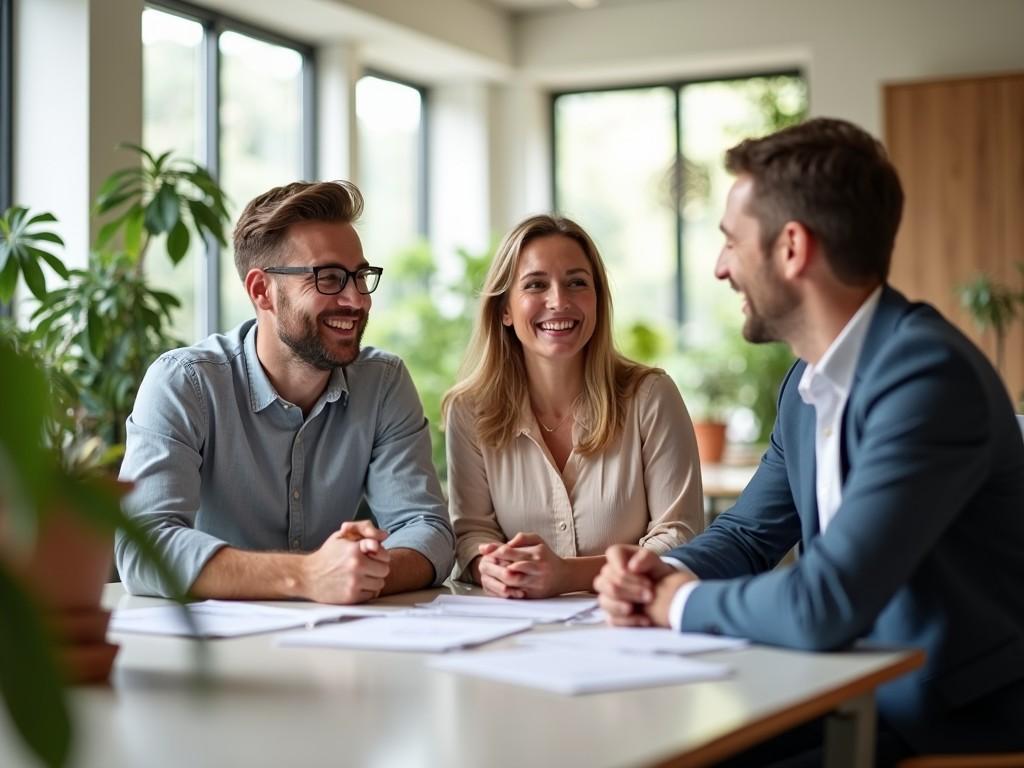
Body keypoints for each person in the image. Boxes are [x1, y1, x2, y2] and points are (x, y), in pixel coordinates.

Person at [594, 117, 1024, 757]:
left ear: (792, 248)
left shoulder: (927, 378)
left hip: (947, 716)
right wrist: (661, 569)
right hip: (847, 689)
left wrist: (676, 605)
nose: (718, 268)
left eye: (731, 243)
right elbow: (747, 535)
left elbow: (825, 601)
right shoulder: (807, 380)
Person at [116, 181, 455, 604]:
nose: (357, 300)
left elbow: (427, 529)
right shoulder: (185, 383)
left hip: (342, 644)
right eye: (329, 278)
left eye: (360, 277)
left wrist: (358, 572)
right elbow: (144, 547)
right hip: (213, 652)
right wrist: (308, 576)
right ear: (262, 291)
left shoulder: (383, 383)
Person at [443, 214, 703, 599]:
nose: (559, 301)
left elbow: (679, 536)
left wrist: (570, 575)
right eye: (535, 285)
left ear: (597, 300)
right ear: (505, 310)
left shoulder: (650, 396)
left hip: (632, 625)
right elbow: (472, 532)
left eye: (577, 283)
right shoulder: (469, 410)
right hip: (514, 631)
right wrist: (489, 567)